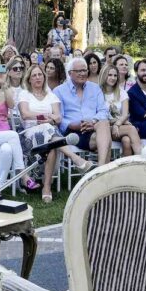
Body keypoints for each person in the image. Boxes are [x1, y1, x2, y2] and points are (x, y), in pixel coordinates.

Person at [18, 64, 93, 202]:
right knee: (49, 129)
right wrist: (46, 116)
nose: (37, 77)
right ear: (29, 79)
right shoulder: (24, 94)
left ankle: (46, 187)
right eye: (34, 75)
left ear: (44, 77)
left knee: (51, 144)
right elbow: (25, 114)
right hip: (29, 133)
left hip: (48, 132)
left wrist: (49, 119)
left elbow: (58, 117)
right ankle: (75, 159)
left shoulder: (51, 95)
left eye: (40, 74)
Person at [0, 63, 39, 197]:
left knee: (7, 150)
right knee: (13, 135)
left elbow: (11, 105)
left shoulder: (6, 90)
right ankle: (24, 176)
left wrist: (3, 82)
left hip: (3, 132)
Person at [54, 57, 111, 165]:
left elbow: (103, 111)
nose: (82, 73)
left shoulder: (95, 88)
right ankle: (102, 171)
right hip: (73, 131)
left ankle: (100, 168)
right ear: (70, 73)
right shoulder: (59, 91)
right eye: (78, 71)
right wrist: (72, 125)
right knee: (107, 140)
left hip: (94, 127)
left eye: (84, 70)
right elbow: (59, 118)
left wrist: (93, 121)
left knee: (104, 123)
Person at [99, 64, 143, 156]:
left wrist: (117, 124)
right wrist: (117, 122)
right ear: (104, 76)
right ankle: (142, 158)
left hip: (119, 127)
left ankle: (127, 167)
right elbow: (100, 116)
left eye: (115, 75)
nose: (113, 78)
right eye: (110, 75)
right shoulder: (98, 93)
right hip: (104, 128)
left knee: (126, 141)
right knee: (131, 129)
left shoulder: (122, 93)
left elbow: (125, 114)